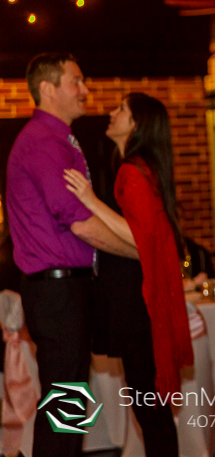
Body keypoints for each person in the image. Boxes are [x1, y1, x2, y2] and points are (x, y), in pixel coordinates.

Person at [6, 53, 139, 457]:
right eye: (76, 81)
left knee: (67, 406)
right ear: (48, 89)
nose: (85, 90)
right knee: (64, 409)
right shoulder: (45, 142)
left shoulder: (55, 138)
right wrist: (142, 252)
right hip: (58, 292)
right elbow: (79, 222)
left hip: (62, 291)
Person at [63, 93, 193, 456]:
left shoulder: (131, 171)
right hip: (138, 299)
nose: (112, 113)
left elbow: (141, 237)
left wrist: (89, 201)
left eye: (120, 109)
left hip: (136, 301)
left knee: (147, 406)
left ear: (135, 124)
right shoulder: (141, 167)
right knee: (149, 405)